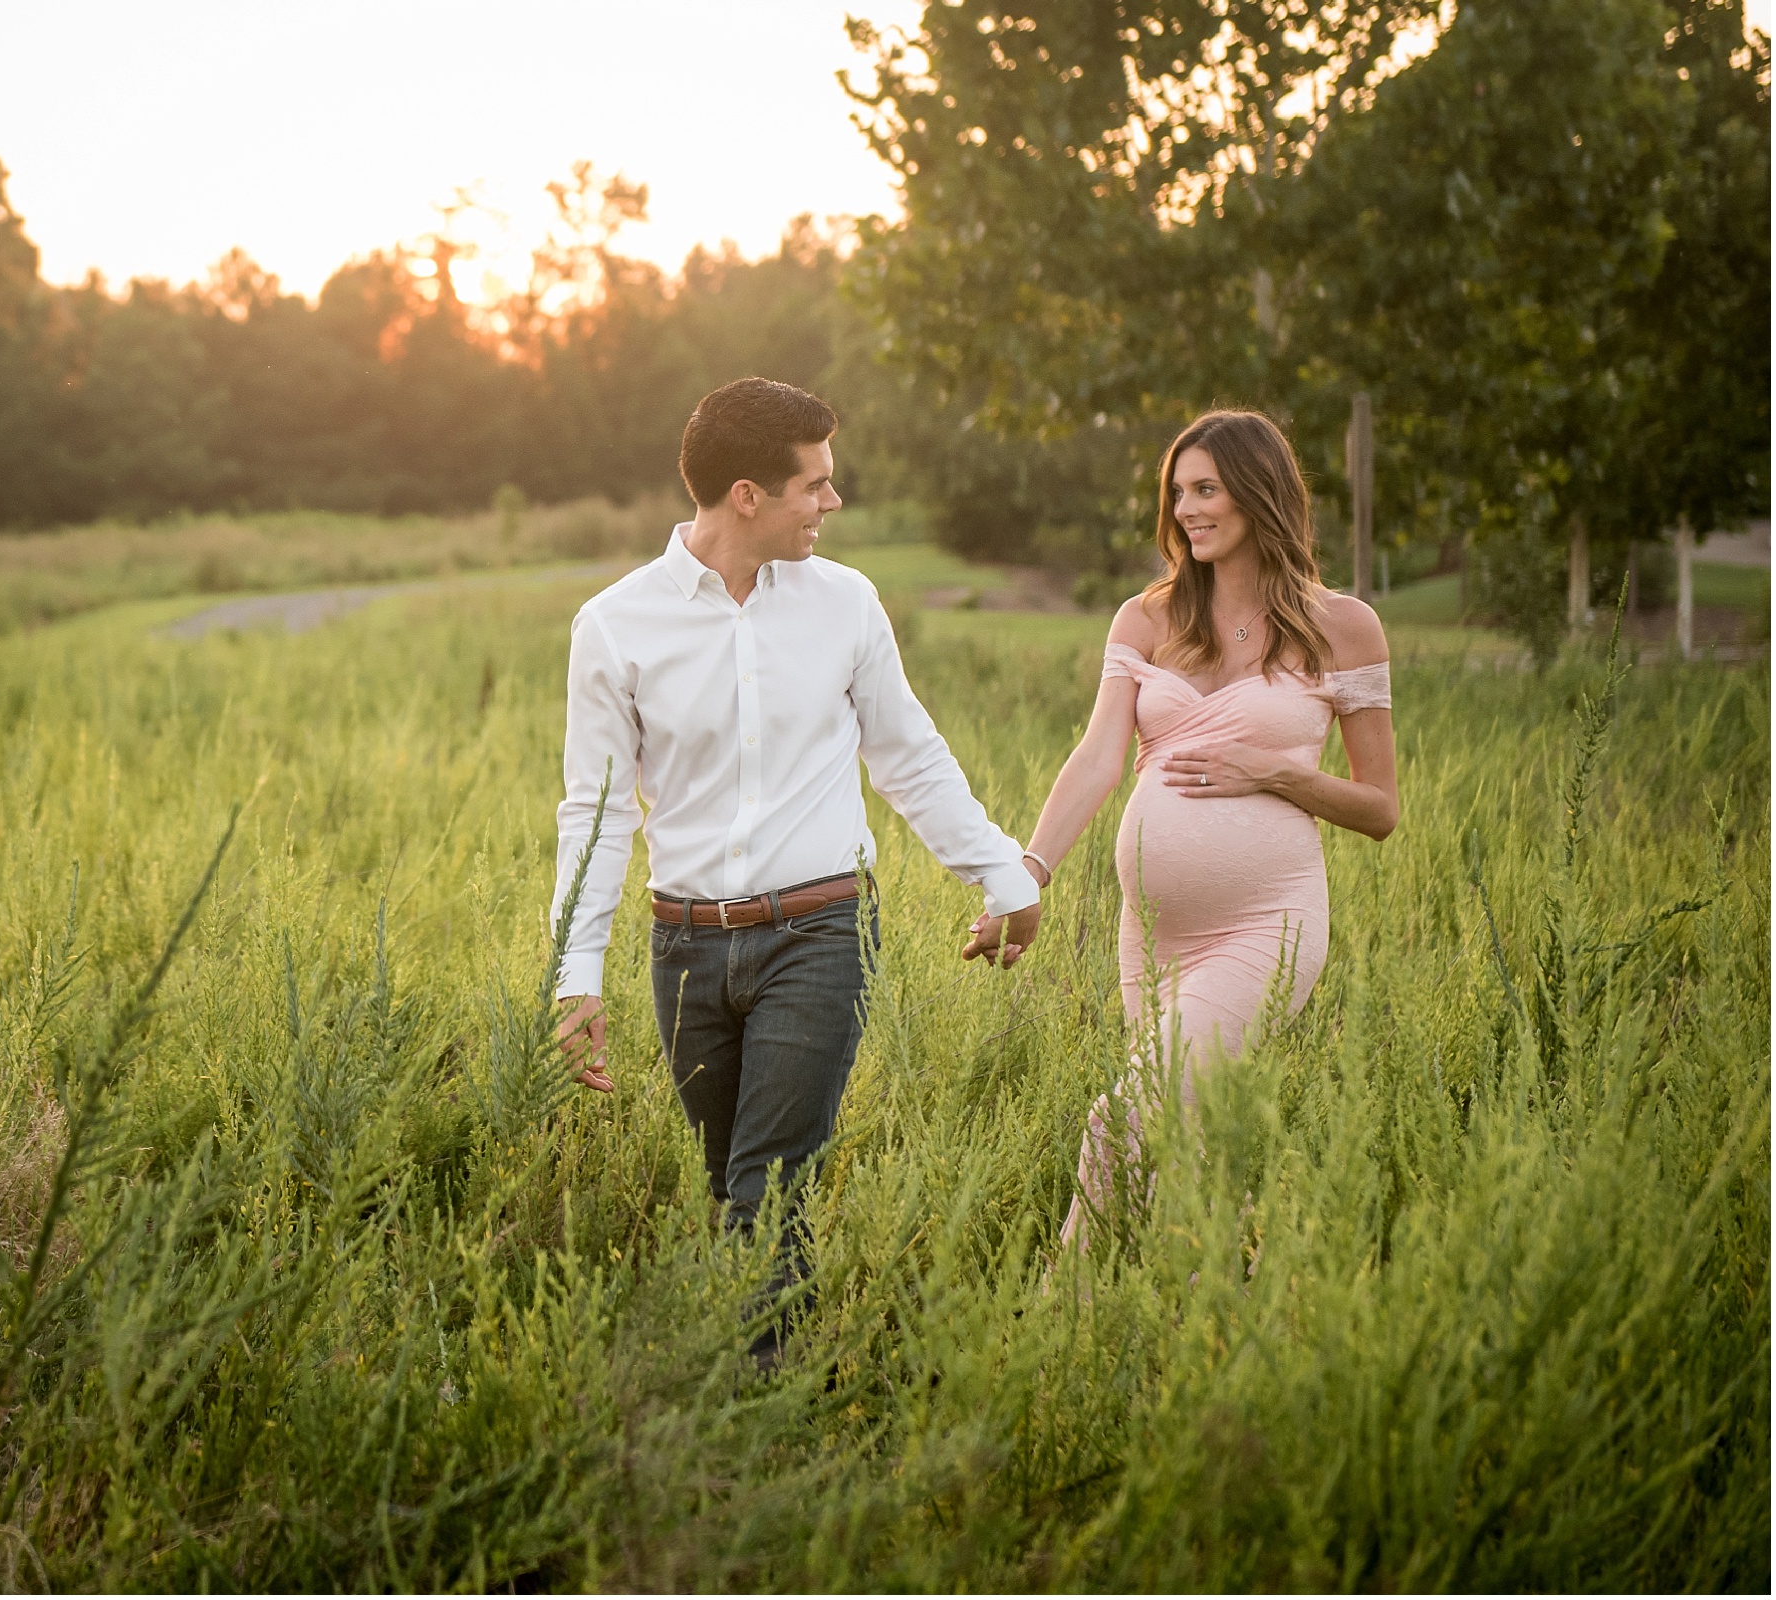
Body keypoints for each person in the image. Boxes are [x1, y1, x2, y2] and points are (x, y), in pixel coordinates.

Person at [548, 377, 1041, 1360]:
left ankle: (755, 1418)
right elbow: (595, 812)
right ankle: (765, 1395)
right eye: (813, 484)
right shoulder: (613, 626)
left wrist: (1002, 875)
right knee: (731, 1184)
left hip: (818, 931)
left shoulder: (844, 603)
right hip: (683, 948)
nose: (832, 502)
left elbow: (908, 755)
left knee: (766, 1183)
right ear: (746, 495)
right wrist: (576, 972)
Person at [1012, 409, 1399, 1256]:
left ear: (1260, 493)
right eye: (1178, 492)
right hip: (1152, 932)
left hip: (1268, 923)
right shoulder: (1147, 619)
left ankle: (1055, 1324)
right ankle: (1205, 1327)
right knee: (1175, 1144)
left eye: (1206, 489)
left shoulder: (1344, 626)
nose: (1187, 509)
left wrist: (1278, 773)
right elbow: (1095, 761)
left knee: (1122, 1116)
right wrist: (1028, 871)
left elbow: (1381, 808)